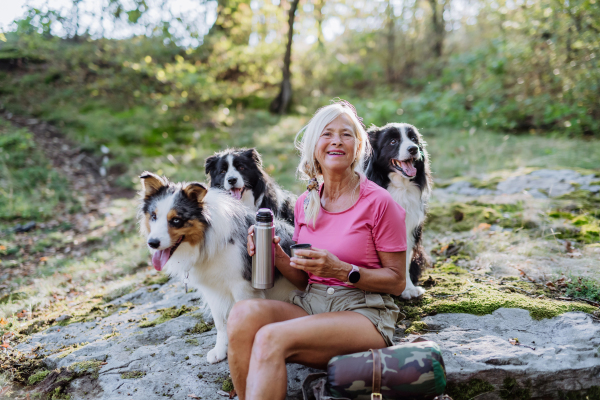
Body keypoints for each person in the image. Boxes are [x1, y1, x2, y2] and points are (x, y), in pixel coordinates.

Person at [227, 100, 407, 400]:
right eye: (327, 133)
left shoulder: (380, 202)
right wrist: (275, 254)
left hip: (363, 313)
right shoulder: (305, 203)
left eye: (346, 134)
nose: (336, 140)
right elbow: (304, 280)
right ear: (314, 146)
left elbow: (397, 281)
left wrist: (342, 271)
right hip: (311, 304)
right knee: (242, 314)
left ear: (358, 147)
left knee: (271, 338)